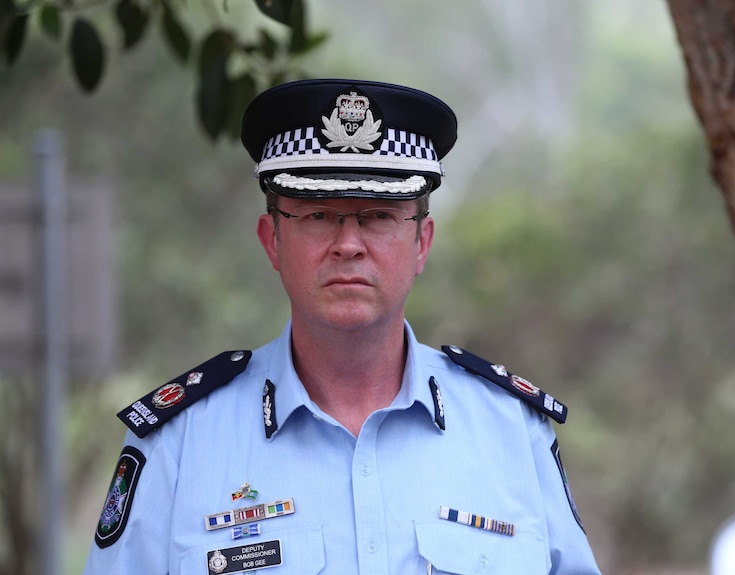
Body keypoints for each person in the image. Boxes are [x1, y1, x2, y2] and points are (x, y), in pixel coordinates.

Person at [82, 78, 601, 575]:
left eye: (378, 215)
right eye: (318, 215)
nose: (348, 243)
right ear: (272, 240)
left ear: (421, 243)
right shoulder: (181, 442)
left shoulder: (511, 432)